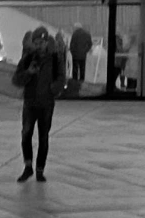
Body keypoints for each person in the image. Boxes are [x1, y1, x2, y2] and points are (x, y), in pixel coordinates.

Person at [12, 26, 63, 181]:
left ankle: (40, 169)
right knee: (26, 134)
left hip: (46, 104)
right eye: (36, 43)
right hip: (30, 103)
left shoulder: (55, 59)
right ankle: (28, 166)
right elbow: (16, 79)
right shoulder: (28, 59)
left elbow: (61, 78)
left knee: (43, 137)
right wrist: (29, 72)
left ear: (46, 42)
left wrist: (52, 89)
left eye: (41, 42)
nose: (39, 46)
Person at [69, 22, 92, 88]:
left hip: (75, 55)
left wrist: (72, 52)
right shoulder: (87, 34)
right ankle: (81, 83)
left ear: (76, 27)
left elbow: (72, 44)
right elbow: (90, 44)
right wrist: (86, 50)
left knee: (75, 70)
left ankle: (74, 84)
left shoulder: (75, 34)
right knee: (82, 69)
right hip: (83, 55)